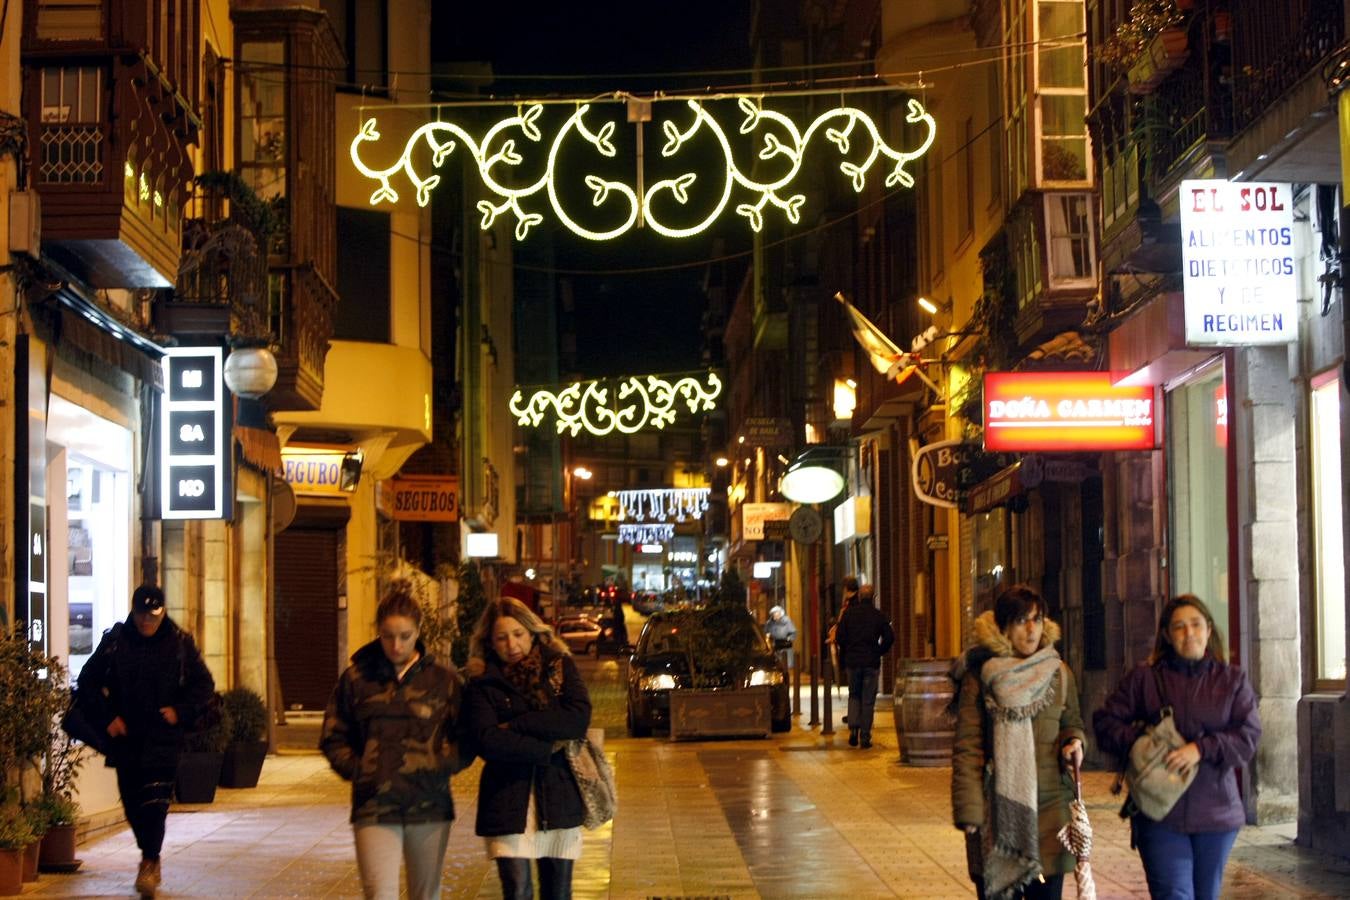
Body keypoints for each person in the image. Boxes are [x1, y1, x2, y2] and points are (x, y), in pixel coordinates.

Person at [1093, 594, 1261, 900]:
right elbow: (1105, 722)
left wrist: (1202, 748)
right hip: (1159, 815)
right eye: (1179, 627)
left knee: (1205, 895)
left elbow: (1248, 737)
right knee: (1173, 894)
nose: (1189, 633)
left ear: (1209, 629)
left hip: (1216, 813)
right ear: (1167, 635)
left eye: (1196, 625)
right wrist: (1141, 745)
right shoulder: (1144, 679)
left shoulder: (1232, 680)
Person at [319, 585, 468, 900]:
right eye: (388, 636)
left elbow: (467, 734)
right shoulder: (357, 679)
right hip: (374, 806)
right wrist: (361, 769)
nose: (396, 645)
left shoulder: (443, 681)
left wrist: (442, 764)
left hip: (429, 805)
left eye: (405, 636)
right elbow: (333, 735)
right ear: (378, 632)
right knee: (379, 893)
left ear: (418, 632)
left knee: (426, 894)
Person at [74, 584, 215, 899]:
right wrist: (108, 717)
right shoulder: (116, 642)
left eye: (152, 616)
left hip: (164, 739)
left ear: (162, 612)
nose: (146, 623)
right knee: (133, 805)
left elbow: (203, 684)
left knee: (156, 805)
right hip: (127, 740)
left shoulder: (179, 643)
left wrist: (180, 711)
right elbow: (87, 682)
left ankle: (149, 861)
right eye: (141, 615)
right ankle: (148, 852)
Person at [462, 598, 593, 900]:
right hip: (507, 800)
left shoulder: (558, 666)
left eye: (518, 634)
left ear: (532, 632)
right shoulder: (482, 682)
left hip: (558, 796)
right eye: (502, 637)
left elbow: (576, 720)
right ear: (489, 642)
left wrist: (518, 724)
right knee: (517, 891)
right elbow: (487, 740)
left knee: (558, 892)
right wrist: (545, 750)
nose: (512, 644)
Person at [831, 583, 894, 748]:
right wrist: (879, 651)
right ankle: (865, 736)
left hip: (853, 662)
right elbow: (889, 637)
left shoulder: (849, 614)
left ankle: (853, 729)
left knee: (854, 695)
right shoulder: (878, 616)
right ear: (873, 598)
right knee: (868, 699)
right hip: (871, 662)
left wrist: (847, 650)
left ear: (859, 597)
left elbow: (839, 636)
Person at [763, 604, 797, 669]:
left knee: (786, 665)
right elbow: (765, 633)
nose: (775, 616)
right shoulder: (769, 623)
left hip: (785, 646)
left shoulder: (787, 621)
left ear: (781, 614)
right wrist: (768, 637)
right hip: (774, 646)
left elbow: (793, 632)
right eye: (774, 614)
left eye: (777, 614)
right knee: (777, 665)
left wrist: (789, 638)